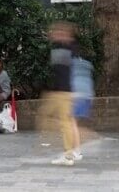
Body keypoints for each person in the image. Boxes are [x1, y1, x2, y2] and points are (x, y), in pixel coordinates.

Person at [37, 21, 77, 166]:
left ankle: (68, 154)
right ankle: (68, 152)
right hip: (60, 92)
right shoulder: (61, 48)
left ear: (64, 34)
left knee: (63, 122)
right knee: (53, 119)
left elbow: (62, 72)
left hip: (62, 92)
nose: (53, 34)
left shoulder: (66, 49)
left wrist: (54, 89)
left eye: (57, 32)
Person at [71, 43, 94, 161]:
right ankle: (74, 148)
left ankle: (77, 151)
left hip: (77, 96)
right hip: (87, 96)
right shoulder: (86, 64)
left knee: (72, 123)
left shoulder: (71, 64)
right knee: (74, 123)